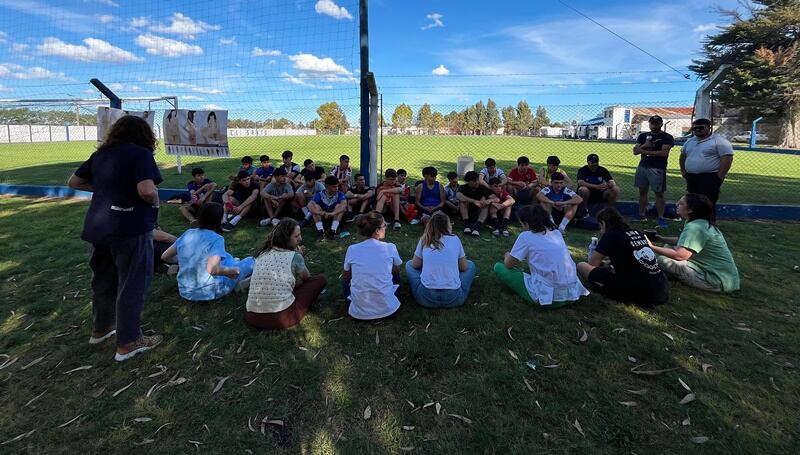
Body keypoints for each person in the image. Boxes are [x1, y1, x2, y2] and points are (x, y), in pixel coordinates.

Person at [67, 115, 164, 362]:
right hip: (129, 227)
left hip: (97, 228)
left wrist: (105, 189)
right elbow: (146, 190)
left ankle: (101, 329)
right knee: (132, 282)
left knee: (103, 280)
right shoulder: (140, 154)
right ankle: (129, 342)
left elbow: (74, 181)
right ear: (145, 134)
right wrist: (154, 201)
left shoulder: (101, 155)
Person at [493, 205, 589, 307]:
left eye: (522, 224)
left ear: (526, 224)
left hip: (549, 299)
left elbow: (509, 264)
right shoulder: (556, 233)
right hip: (573, 294)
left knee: (499, 267)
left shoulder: (526, 236)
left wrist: (507, 255)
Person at [161, 202, 255, 302]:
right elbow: (213, 270)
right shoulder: (216, 239)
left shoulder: (188, 233)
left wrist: (188, 262)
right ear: (218, 220)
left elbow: (165, 256)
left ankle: (234, 266)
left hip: (185, 290)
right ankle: (239, 281)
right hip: (210, 290)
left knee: (225, 256)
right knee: (251, 261)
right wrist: (234, 271)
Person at [245, 219, 328, 329]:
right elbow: (306, 277)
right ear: (286, 238)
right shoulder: (295, 256)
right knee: (320, 279)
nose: (300, 239)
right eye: (296, 236)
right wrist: (300, 256)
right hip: (282, 318)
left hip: (252, 316)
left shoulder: (263, 254)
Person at [577, 207, 669, 306]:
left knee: (582, 266)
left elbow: (592, 264)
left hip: (638, 292)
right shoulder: (638, 232)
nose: (600, 231)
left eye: (600, 226)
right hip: (661, 289)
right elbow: (631, 257)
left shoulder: (610, 235)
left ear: (603, 223)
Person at [648, 193, 740, 292]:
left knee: (661, 259)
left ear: (691, 210)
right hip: (725, 279)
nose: (677, 204)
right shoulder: (700, 223)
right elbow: (685, 242)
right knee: (668, 247)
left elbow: (681, 255)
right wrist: (661, 239)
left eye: (681, 203)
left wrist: (651, 247)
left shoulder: (695, 227)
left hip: (715, 280)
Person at [406, 212, 477, 308]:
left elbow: (415, 265)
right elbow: (464, 267)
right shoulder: (455, 239)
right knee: (470, 265)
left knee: (409, 264)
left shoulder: (425, 239)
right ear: (448, 225)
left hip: (425, 298)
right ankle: (453, 283)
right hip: (454, 298)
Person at [343, 211, 403, 320]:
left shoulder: (352, 249)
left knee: (345, 280)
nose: (386, 227)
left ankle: (359, 300)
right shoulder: (390, 247)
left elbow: (346, 276)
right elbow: (396, 271)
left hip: (358, 312)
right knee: (396, 276)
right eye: (384, 225)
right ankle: (387, 298)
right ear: (377, 231)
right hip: (388, 309)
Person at [680, 118, 734, 222]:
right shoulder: (690, 141)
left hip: (710, 177)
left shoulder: (719, 141)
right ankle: (693, 224)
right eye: (694, 128)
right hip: (691, 177)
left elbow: (727, 158)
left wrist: (720, 176)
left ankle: (709, 226)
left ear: (709, 127)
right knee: (692, 202)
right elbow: (683, 156)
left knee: (708, 203)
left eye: (701, 128)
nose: (697, 130)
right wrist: (684, 172)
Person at [633, 115, 674, 228]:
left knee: (659, 194)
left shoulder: (667, 137)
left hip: (657, 168)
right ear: (649, 124)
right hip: (643, 166)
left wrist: (643, 150)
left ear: (661, 124)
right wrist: (645, 146)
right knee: (642, 192)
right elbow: (635, 151)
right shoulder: (643, 136)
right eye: (652, 123)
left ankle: (661, 218)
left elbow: (663, 153)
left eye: (656, 123)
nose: (654, 126)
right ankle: (642, 215)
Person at [308, 176, 348, 240]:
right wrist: (319, 212)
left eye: (337, 186)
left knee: (339, 206)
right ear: (327, 186)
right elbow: (310, 205)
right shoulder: (320, 194)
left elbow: (344, 204)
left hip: (335, 217)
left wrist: (333, 213)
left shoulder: (340, 194)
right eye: (334, 187)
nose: (337, 188)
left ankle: (333, 231)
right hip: (323, 216)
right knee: (316, 207)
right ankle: (320, 231)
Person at [457, 170, 494, 237]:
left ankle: (477, 226)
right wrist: (474, 201)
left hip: (478, 212)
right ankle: (466, 224)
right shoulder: (463, 187)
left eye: (477, 180)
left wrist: (488, 201)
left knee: (486, 205)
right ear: (468, 181)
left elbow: (496, 198)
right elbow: (459, 196)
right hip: (466, 211)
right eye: (474, 181)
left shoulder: (482, 188)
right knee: (462, 202)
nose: (477, 182)